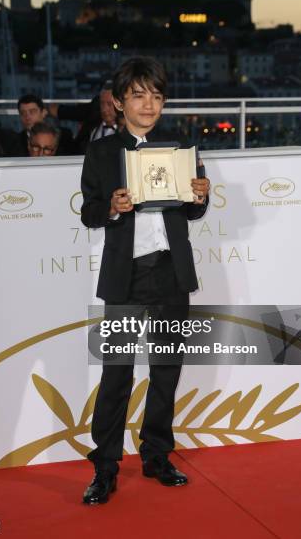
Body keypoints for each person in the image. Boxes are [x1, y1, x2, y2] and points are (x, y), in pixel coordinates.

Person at [80, 57, 210, 505]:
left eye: (156, 96)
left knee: (166, 371)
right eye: (139, 95)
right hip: (124, 277)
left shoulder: (181, 147)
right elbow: (88, 212)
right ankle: (105, 466)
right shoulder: (100, 152)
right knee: (116, 374)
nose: (149, 104)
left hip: (171, 274)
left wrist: (199, 198)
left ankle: (156, 455)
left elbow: (191, 211)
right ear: (118, 102)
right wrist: (113, 206)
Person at [48, 81, 118, 154]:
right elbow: (76, 111)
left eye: (109, 104)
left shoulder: (127, 129)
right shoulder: (94, 117)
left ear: (119, 104)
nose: (104, 109)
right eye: (102, 103)